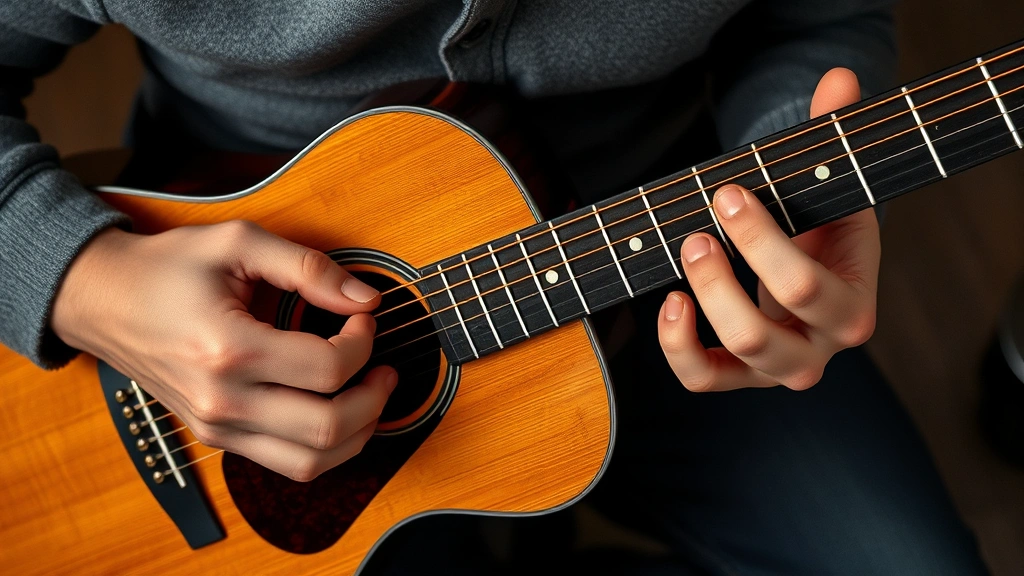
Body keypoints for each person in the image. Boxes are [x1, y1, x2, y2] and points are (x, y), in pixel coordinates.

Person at [0, 0, 990, 573]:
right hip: (217, 311)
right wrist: (81, 277)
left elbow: (810, 14)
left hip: (678, 270)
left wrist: (798, 183)